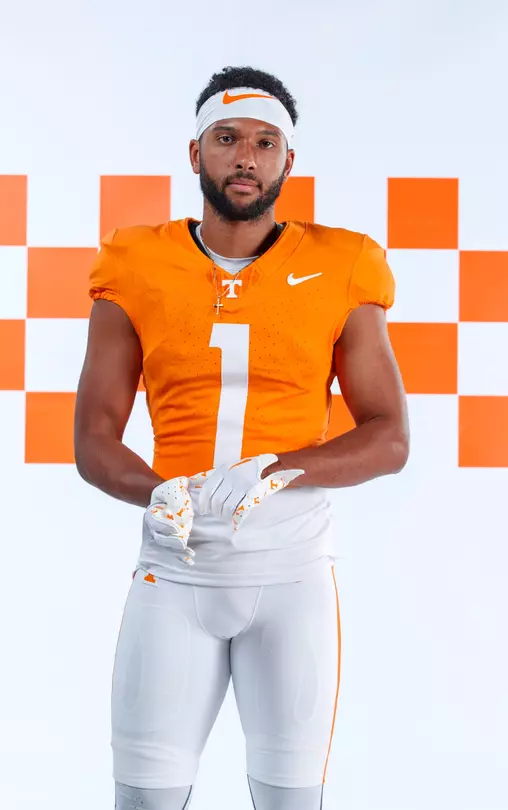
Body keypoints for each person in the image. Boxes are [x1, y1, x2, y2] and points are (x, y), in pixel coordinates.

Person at [74, 65, 409, 810]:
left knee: (291, 802)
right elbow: (94, 438)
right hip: (176, 572)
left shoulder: (342, 261)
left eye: (265, 142)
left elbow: (389, 437)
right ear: (196, 154)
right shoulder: (135, 260)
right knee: (145, 800)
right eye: (226, 139)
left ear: (289, 160)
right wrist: (156, 489)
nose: (246, 158)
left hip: (290, 575)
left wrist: (277, 469)